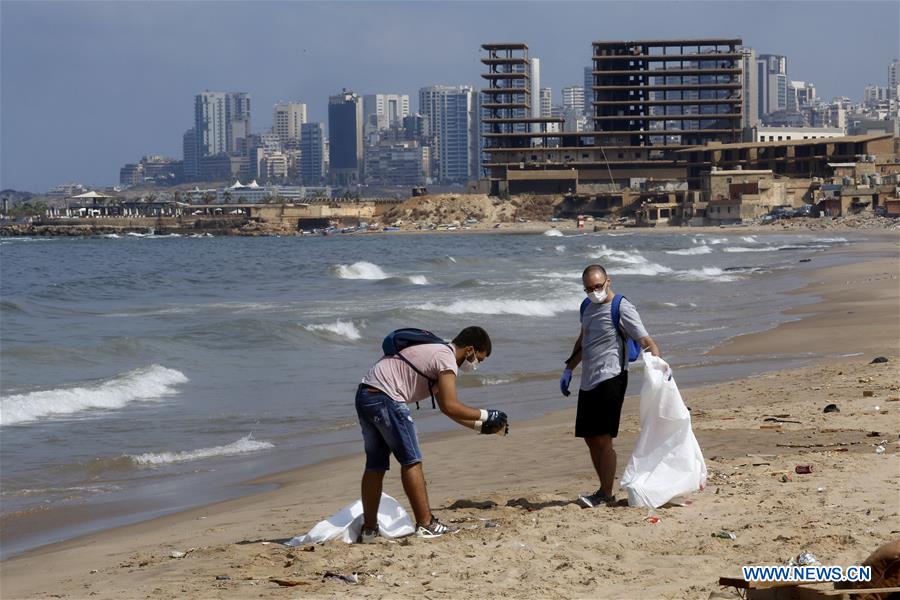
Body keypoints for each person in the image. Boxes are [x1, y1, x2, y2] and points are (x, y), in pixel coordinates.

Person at [356, 326, 507, 542]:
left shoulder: (436, 351)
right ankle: (426, 524)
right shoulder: (445, 357)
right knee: (412, 461)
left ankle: (369, 530)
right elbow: (452, 405)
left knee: (376, 465)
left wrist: (479, 426)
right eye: (479, 360)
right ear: (470, 350)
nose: (476, 365)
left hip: (366, 394)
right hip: (387, 398)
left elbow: (447, 409)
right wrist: (487, 414)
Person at [559, 264, 660, 508]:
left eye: (598, 286)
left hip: (613, 377)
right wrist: (569, 368)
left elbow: (645, 341)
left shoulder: (622, 307)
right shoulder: (586, 307)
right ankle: (604, 489)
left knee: (603, 438)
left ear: (608, 282)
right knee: (590, 438)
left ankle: (605, 492)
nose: (594, 292)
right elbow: (584, 339)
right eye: (588, 289)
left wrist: (659, 370)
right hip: (589, 380)